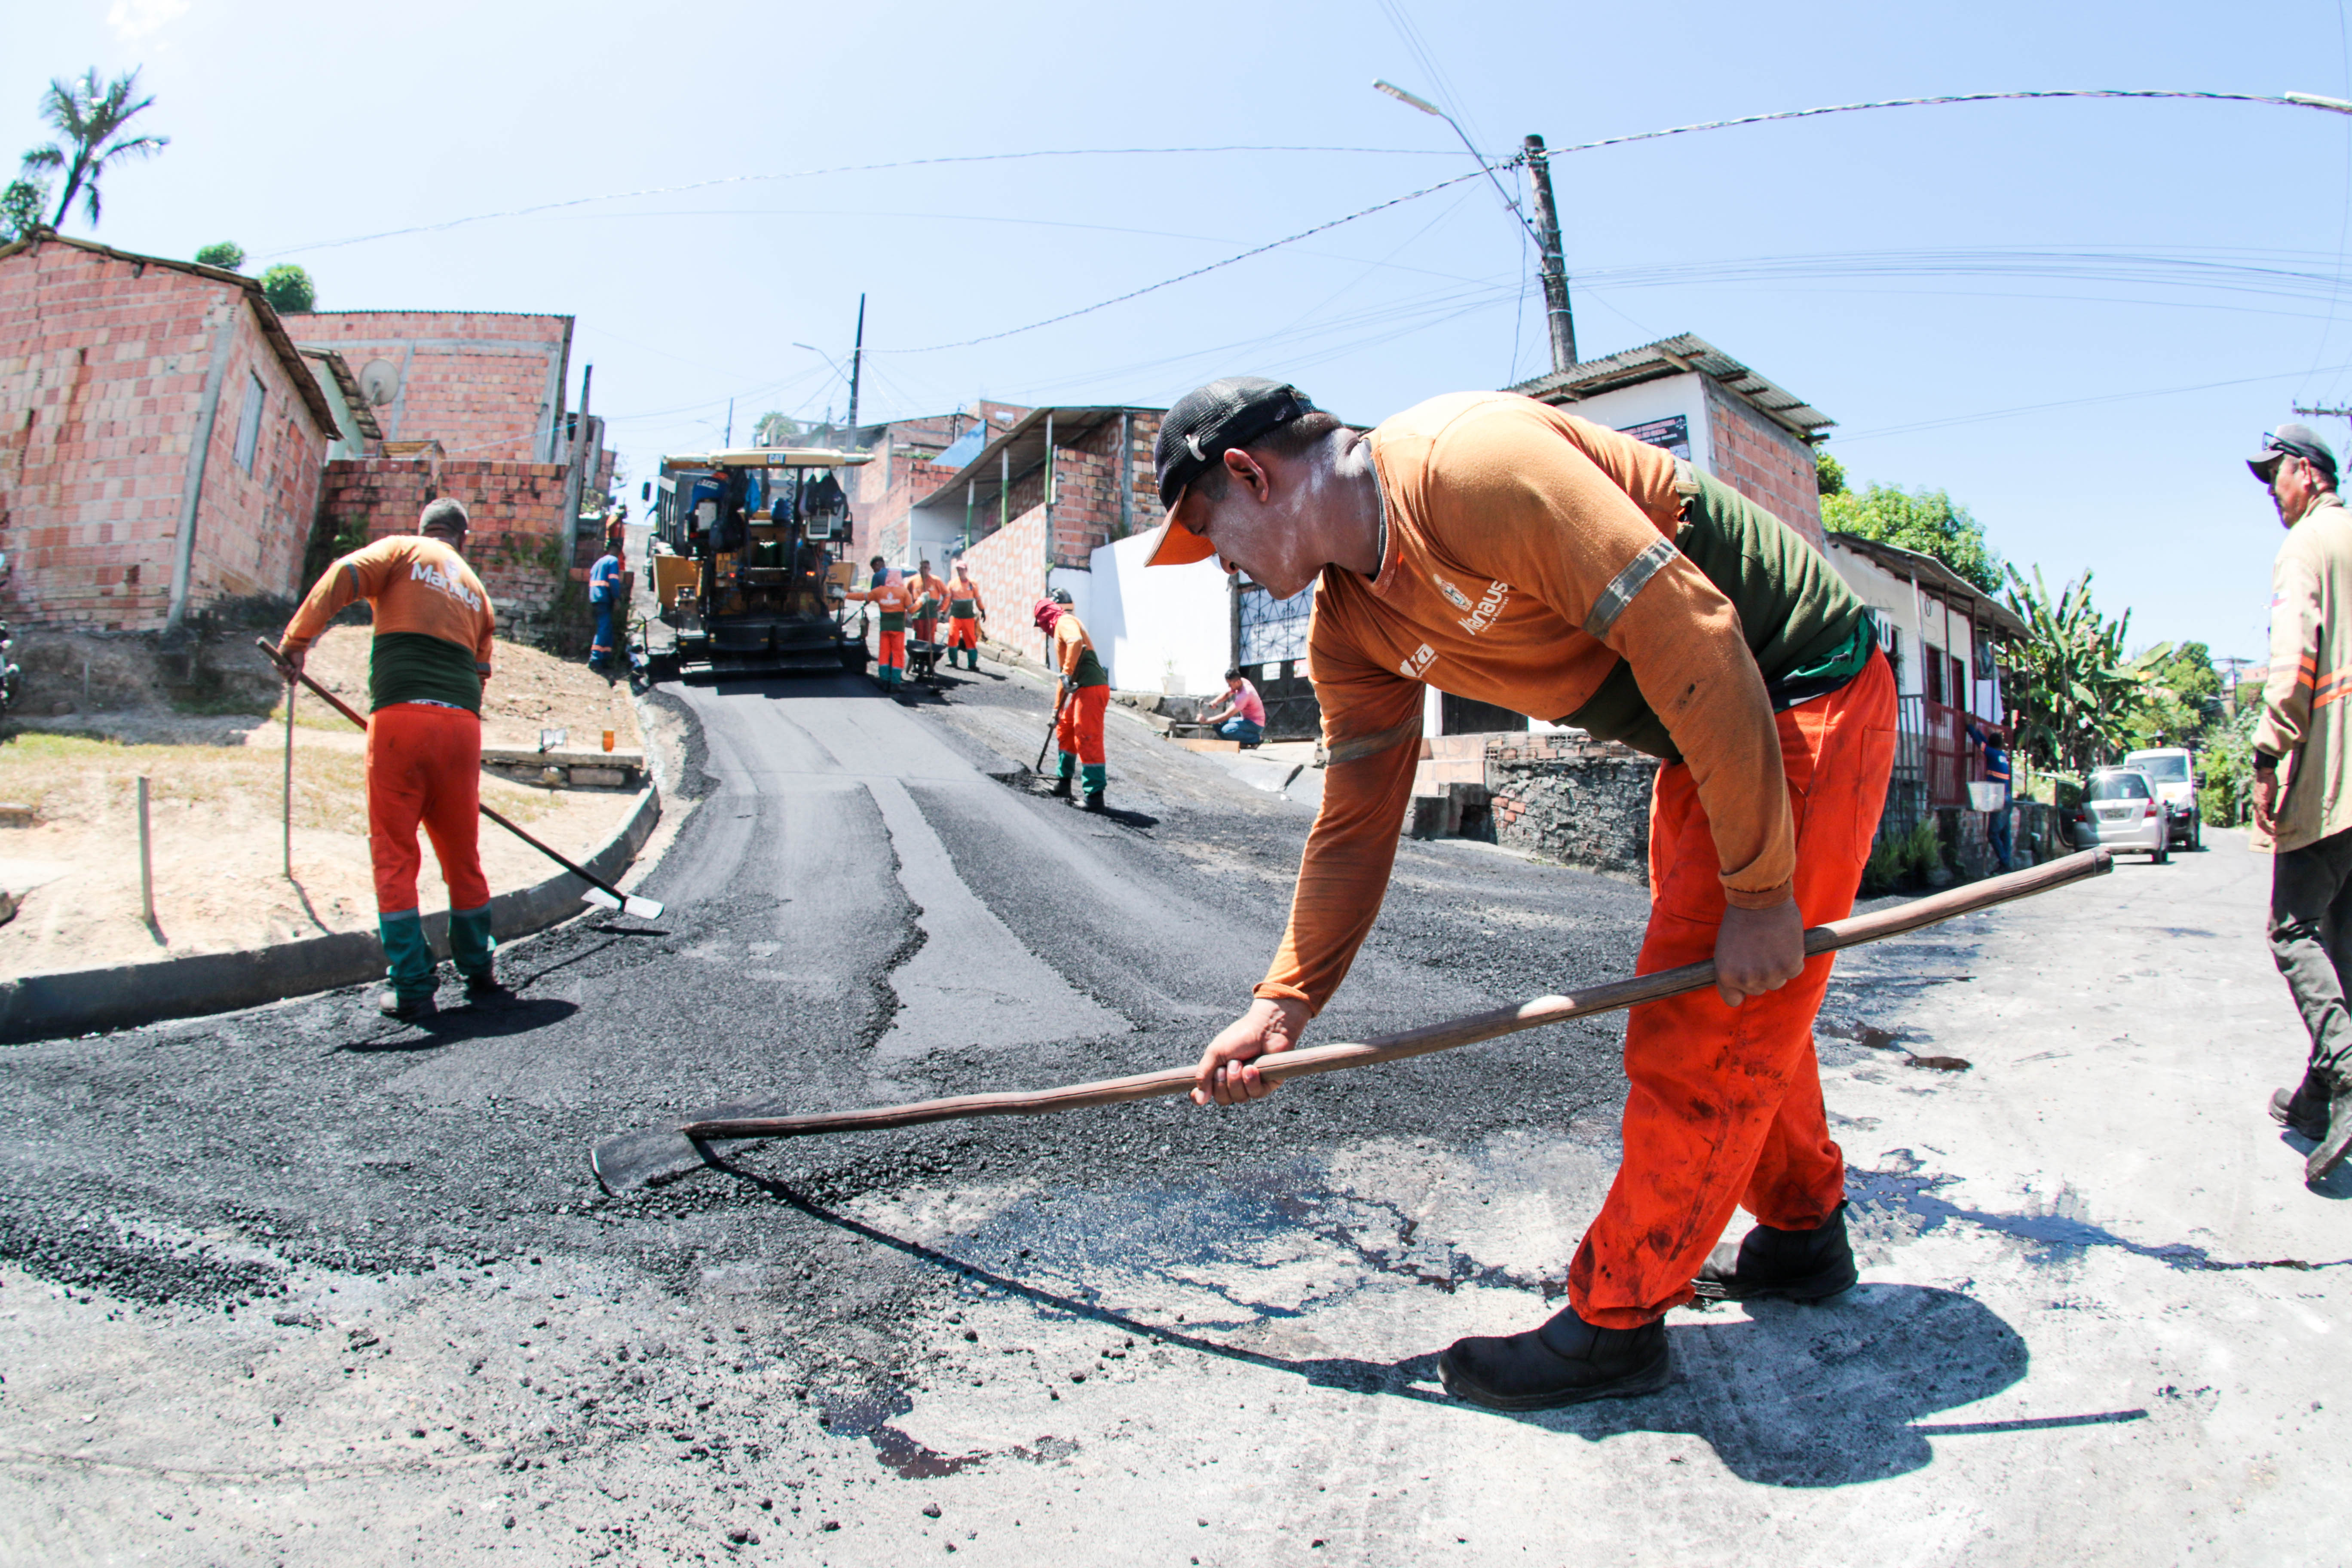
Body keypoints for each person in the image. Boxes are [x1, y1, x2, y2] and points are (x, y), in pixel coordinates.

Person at [1147, 377, 1893, 1409]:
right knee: (1735, 989)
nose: (1218, 563)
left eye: (1206, 532)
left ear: (1247, 474)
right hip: (1698, 735)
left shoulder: (1470, 466)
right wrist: (1282, 1002)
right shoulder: (1348, 623)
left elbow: (1694, 631)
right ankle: (1803, 1233)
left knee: (1707, 1016)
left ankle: (1616, 1325)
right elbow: (1355, 824)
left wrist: (1763, 890)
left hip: (1797, 689)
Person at [278, 498, 505, 1020]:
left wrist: (297, 642)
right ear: (463, 539)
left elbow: (344, 575)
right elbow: (481, 672)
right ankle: (478, 967)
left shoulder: (403, 552)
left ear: (424, 530)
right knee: (461, 855)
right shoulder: (476, 590)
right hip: (461, 730)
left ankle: (413, 986)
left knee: (395, 855)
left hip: (402, 724)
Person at [2248, 423, 2352, 1184]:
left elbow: (2292, 665)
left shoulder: (2308, 545)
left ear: (2307, 473)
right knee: (2344, 942)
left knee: (2292, 928)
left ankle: (2345, 1074)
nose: (2270, 492)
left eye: (2274, 475)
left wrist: (2264, 751)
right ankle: (2318, 1099)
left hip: (2335, 773)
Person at [1035, 590, 1110, 809]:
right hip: (1081, 689)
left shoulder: (1064, 621)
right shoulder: (1060, 629)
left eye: (1041, 624)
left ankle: (1095, 796)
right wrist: (1056, 712)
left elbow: (1076, 641)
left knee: (1087, 737)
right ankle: (1063, 783)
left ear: (1045, 617)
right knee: (1066, 730)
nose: (1043, 630)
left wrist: (1068, 673)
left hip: (1092, 688)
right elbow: (1063, 679)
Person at [848, 566, 915, 692]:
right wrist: (922, 600)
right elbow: (912, 610)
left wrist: (844, 595)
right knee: (898, 654)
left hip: (885, 629)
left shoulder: (880, 591)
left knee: (884, 654)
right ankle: (895, 682)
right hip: (898, 630)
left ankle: (884, 681)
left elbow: (862, 596)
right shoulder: (904, 592)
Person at [1967, 719, 2013, 870]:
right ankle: (2007, 863)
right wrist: (1978, 730)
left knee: (1993, 834)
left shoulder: (1992, 754)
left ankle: (2005, 864)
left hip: (1999, 798)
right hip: (2008, 797)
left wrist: (1970, 727)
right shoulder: (2000, 755)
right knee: (2005, 833)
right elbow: (1986, 744)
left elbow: (1980, 744)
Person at [1197, 667, 1267, 746]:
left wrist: (1206, 720)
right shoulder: (1242, 682)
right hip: (1246, 721)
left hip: (1255, 725)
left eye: (1230, 684)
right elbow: (1227, 694)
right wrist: (1215, 702)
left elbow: (1226, 716)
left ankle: (1256, 739)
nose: (1229, 687)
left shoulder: (1245, 694)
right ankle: (1238, 744)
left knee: (1227, 730)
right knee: (1217, 724)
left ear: (1237, 682)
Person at [587, 530, 624, 674]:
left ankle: (605, 658)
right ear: (617, 550)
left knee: (606, 628)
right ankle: (595, 660)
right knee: (604, 628)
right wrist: (617, 598)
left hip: (595, 598)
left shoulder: (599, 562)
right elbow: (614, 581)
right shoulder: (612, 561)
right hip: (604, 598)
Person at [944, 560, 987, 671]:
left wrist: (982, 610)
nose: (960, 572)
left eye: (962, 569)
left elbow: (978, 598)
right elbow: (948, 600)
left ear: (966, 570)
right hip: (956, 616)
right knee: (953, 637)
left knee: (971, 639)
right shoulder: (952, 584)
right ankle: (953, 661)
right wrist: (943, 611)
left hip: (968, 616)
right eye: (958, 570)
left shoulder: (972, 584)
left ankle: (972, 663)